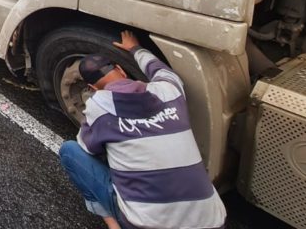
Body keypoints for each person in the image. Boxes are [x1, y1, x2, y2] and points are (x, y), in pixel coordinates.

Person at [58, 30, 226, 229]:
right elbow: (158, 68)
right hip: (213, 222)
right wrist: (134, 48)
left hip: (144, 224)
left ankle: (113, 223)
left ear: (92, 88)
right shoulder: (169, 90)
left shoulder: (99, 105)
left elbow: (88, 148)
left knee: (70, 151)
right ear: (121, 70)